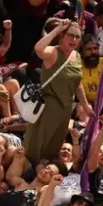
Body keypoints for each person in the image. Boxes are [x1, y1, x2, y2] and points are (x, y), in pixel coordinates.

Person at [24, 20, 84, 163]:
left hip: (66, 108)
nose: (74, 39)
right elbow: (39, 49)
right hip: (49, 106)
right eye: (70, 35)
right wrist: (57, 29)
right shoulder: (54, 52)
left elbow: (77, 84)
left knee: (54, 145)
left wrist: (86, 105)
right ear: (62, 36)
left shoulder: (77, 56)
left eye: (77, 37)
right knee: (37, 145)